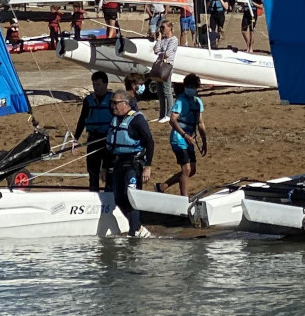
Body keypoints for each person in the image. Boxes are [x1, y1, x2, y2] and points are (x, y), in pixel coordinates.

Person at [106, 92, 154, 236]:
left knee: (131, 197)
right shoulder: (115, 119)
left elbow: (150, 142)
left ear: (125, 103)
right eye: (111, 103)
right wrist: (104, 167)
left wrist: (148, 166)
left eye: (115, 103)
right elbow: (109, 146)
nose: (112, 106)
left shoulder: (137, 120)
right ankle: (138, 227)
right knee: (118, 198)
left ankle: (134, 231)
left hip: (134, 165)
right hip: (118, 163)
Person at [160, 75, 208, 196]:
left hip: (189, 140)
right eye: (188, 86)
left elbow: (201, 123)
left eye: (193, 87)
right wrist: (184, 135)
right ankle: (184, 198)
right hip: (179, 138)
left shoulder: (198, 103)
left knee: (192, 170)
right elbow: (172, 120)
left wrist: (204, 142)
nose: (190, 89)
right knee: (186, 169)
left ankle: (162, 186)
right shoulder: (181, 101)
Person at [74, 72, 116, 192]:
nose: (95, 88)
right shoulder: (88, 100)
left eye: (98, 84)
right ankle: (93, 193)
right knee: (93, 171)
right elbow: (82, 119)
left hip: (107, 139)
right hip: (93, 139)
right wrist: (75, 138)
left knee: (109, 170)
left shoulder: (112, 99)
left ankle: (109, 194)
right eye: (94, 85)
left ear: (105, 84)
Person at [150, 29, 179, 122]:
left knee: (167, 91)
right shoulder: (162, 40)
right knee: (160, 91)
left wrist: (161, 53)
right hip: (160, 65)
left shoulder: (173, 39)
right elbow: (156, 50)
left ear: (170, 28)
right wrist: (158, 40)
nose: (162, 30)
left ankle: (169, 114)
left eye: (163, 27)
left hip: (167, 66)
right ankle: (162, 115)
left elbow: (167, 54)